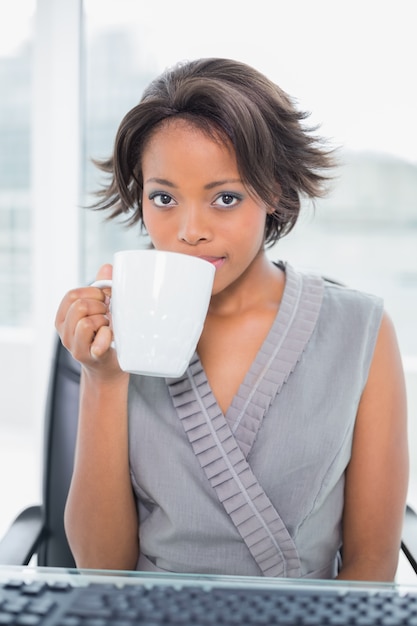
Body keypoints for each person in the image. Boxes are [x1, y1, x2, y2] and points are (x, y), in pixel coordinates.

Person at [56, 57, 409, 581]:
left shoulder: (361, 332)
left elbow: (371, 561)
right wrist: (102, 380)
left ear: (273, 191)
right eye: (163, 197)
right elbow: (102, 566)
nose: (190, 230)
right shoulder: (116, 331)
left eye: (225, 197)